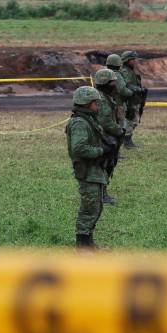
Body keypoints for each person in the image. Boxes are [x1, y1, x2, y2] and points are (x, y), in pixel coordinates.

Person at [65, 86, 114, 249]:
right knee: (89, 207)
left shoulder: (88, 119)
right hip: (87, 170)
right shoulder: (79, 122)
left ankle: (88, 241)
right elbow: (78, 148)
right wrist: (101, 151)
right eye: (95, 103)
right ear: (86, 103)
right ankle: (82, 244)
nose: (97, 106)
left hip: (94, 169)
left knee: (95, 206)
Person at [94, 69, 126, 205]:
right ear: (105, 82)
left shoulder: (104, 96)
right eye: (112, 82)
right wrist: (119, 131)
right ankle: (101, 195)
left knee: (106, 166)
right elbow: (106, 122)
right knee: (104, 166)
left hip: (105, 137)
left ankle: (102, 193)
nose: (115, 84)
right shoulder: (101, 99)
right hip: (104, 138)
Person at [120, 51, 148, 149]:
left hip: (134, 99)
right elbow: (127, 85)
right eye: (132, 59)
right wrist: (138, 89)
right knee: (130, 120)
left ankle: (127, 139)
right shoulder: (125, 71)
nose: (135, 61)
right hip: (129, 100)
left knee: (133, 120)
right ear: (127, 60)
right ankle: (127, 141)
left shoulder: (130, 71)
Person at [105, 54, 133, 135]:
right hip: (118, 104)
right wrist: (131, 92)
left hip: (106, 104)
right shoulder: (116, 75)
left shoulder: (103, 73)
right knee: (121, 124)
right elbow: (122, 90)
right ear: (118, 64)